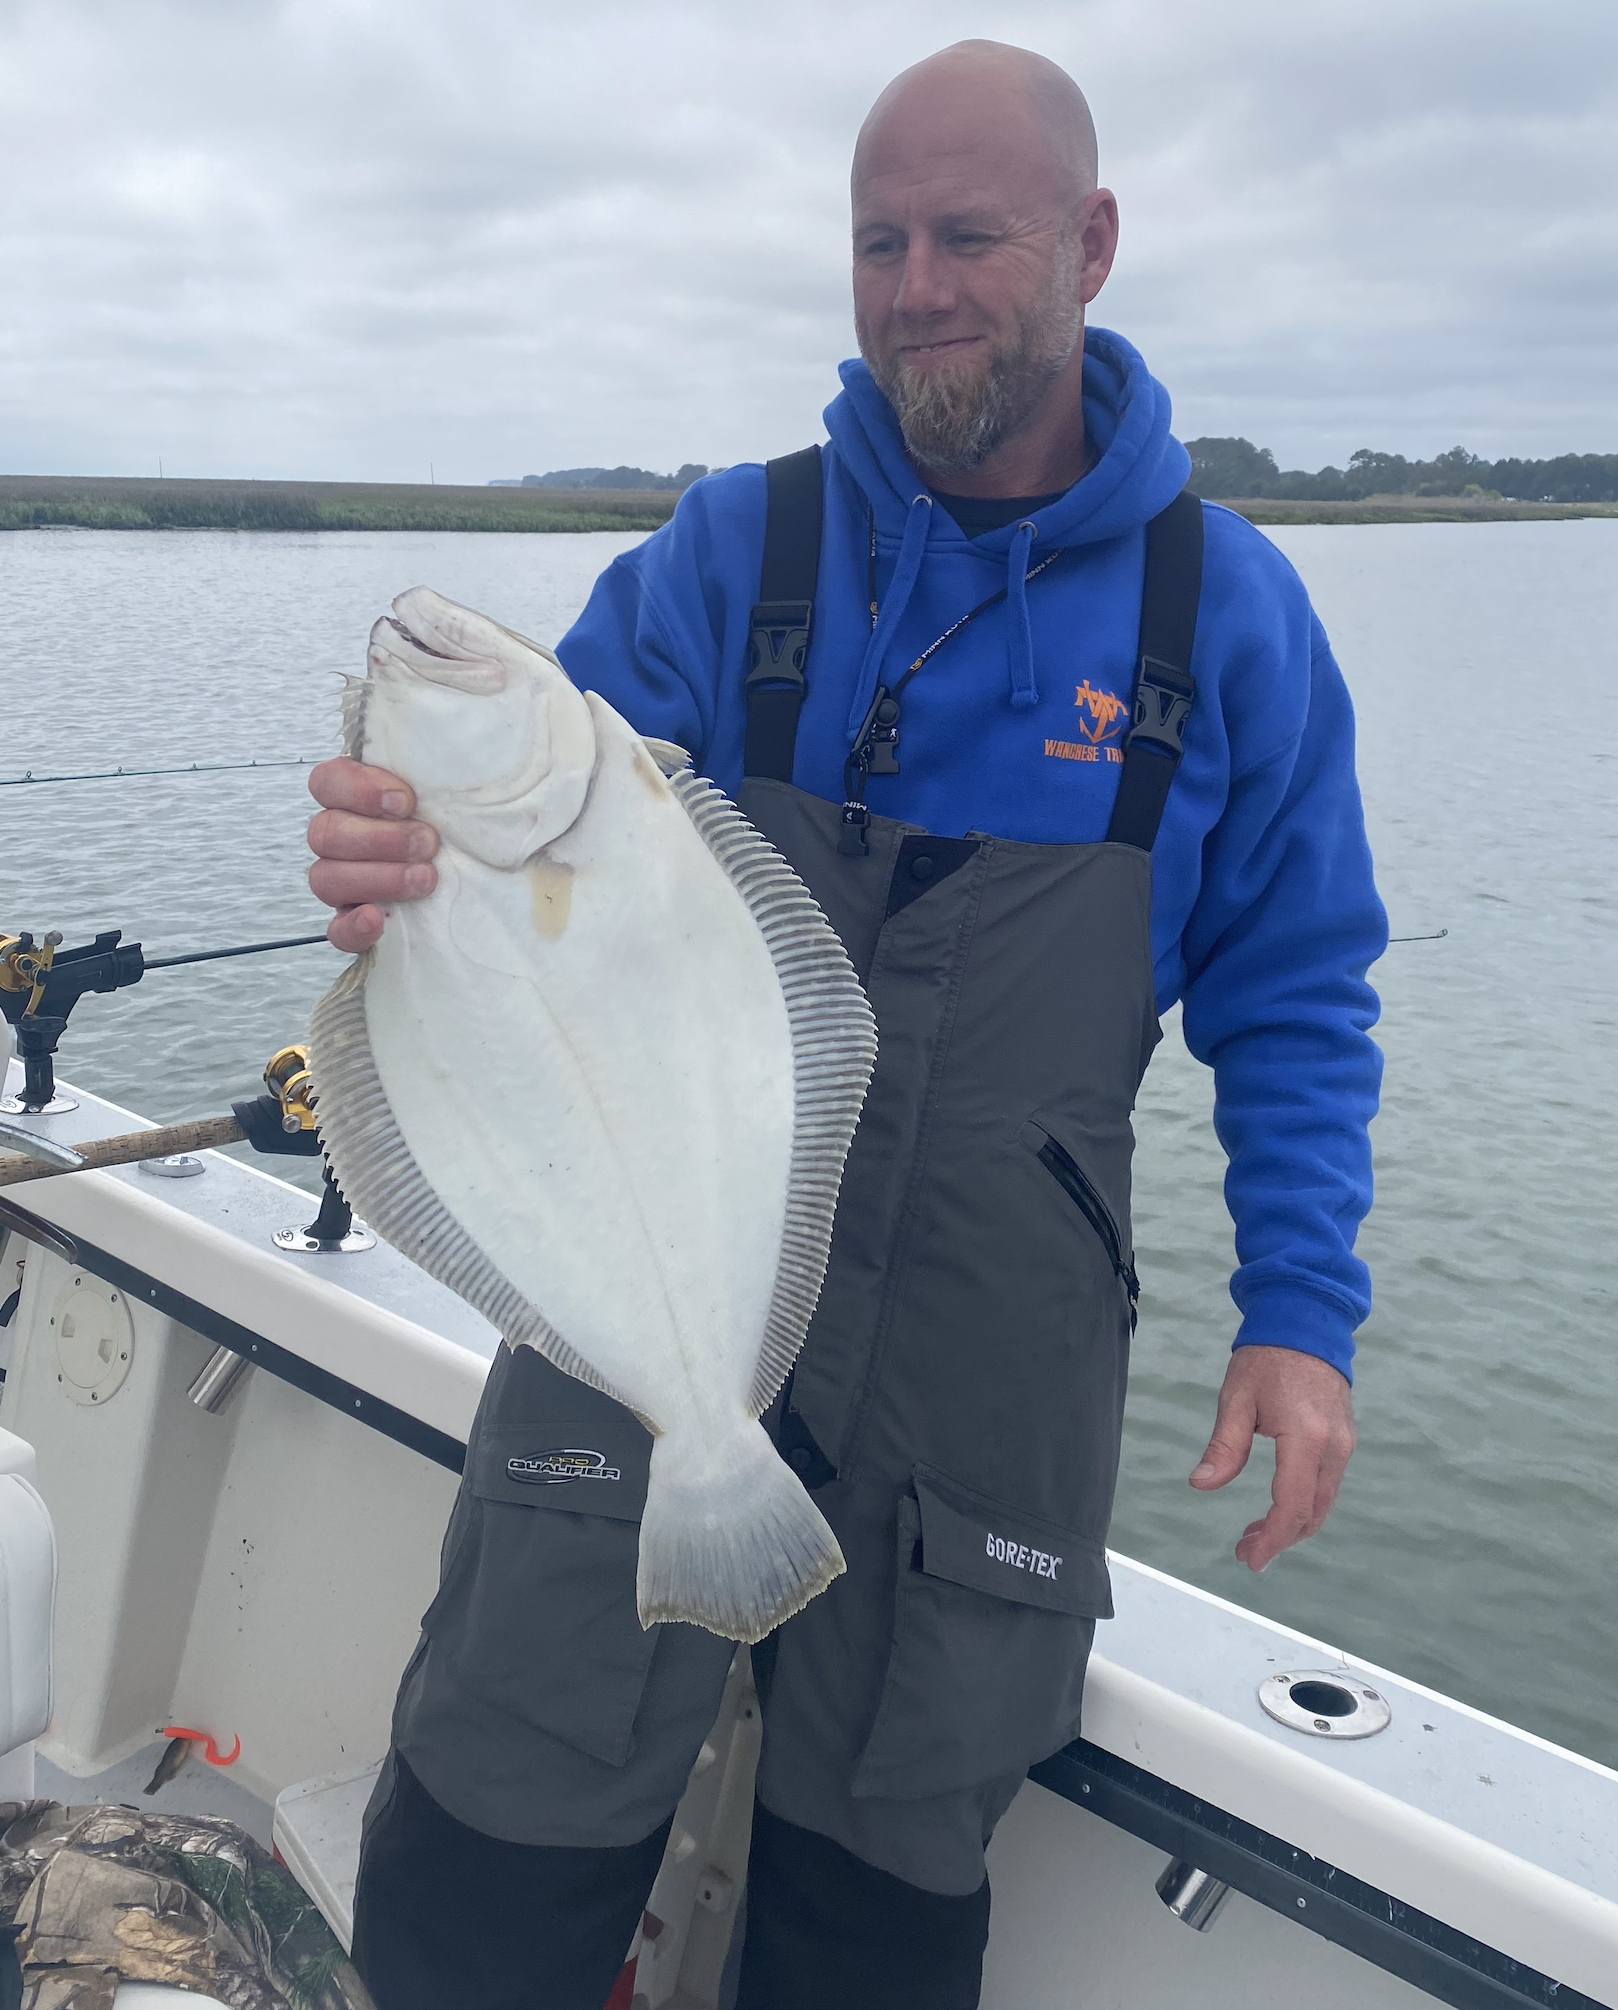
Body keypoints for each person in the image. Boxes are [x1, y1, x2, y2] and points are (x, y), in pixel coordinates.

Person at [306, 38, 1383, 2010]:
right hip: (642, 1312)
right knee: (485, 1863)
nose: (916, 288)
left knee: (873, 1920)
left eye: (968, 236)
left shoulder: (1222, 617)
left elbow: (1297, 989)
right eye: (879, 242)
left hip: (982, 1360)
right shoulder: (735, 553)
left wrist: (1297, 1312)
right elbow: (502, 888)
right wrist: (392, 859)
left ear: (1091, 244)